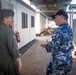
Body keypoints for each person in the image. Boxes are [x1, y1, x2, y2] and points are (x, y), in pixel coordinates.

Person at [40, 10, 74, 75]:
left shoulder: (58, 30)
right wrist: (54, 34)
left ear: (61, 17)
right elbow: (65, 42)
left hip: (58, 65)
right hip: (68, 61)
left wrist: (46, 45)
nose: (54, 20)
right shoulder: (70, 29)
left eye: (55, 17)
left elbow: (51, 48)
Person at [0, 9, 22, 75]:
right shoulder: (9, 31)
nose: (12, 20)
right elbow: (13, 47)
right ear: (5, 19)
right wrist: (18, 59)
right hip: (8, 62)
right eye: (11, 18)